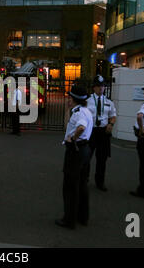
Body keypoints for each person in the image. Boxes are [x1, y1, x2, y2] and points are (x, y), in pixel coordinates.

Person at [56, 85, 93, 230]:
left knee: (70, 186)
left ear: (75, 99)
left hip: (75, 151)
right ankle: (82, 217)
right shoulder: (84, 111)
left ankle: (69, 220)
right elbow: (68, 127)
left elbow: (81, 127)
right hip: (84, 150)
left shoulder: (79, 114)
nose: (68, 99)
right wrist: (66, 110)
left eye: (70, 97)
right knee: (82, 184)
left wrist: (73, 138)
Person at [87, 75, 117, 192]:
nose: (101, 88)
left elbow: (113, 116)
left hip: (103, 132)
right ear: (94, 87)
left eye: (103, 86)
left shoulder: (109, 102)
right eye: (98, 86)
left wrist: (111, 124)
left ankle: (100, 182)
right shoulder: (87, 101)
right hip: (91, 131)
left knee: (102, 158)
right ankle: (84, 179)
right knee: (86, 157)